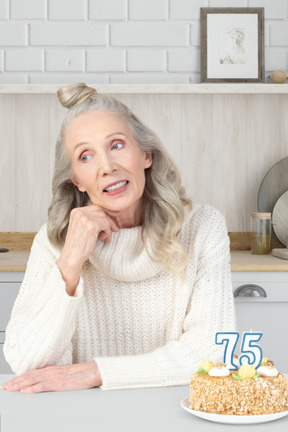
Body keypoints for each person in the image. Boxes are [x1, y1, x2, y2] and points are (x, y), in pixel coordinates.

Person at [2, 83, 236, 394]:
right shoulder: (54, 242)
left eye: (116, 145)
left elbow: (213, 351)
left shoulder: (203, 228)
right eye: (86, 156)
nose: (107, 167)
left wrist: (98, 372)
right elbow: (24, 362)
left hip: (174, 412)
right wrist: (70, 263)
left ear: (146, 155)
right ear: (77, 181)